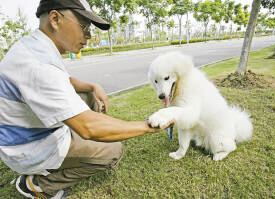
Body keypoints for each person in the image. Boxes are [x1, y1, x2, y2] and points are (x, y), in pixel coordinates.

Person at [0, 0, 172, 198]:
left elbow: (64, 80)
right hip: (29, 147)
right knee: (111, 151)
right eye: (84, 27)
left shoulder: (34, 46)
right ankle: (38, 185)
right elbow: (89, 128)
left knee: (87, 97)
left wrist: (92, 87)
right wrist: (151, 125)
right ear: (55, 19)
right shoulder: (39, 66)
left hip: (23, 132)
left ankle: (74, 149)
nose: (89, 36)